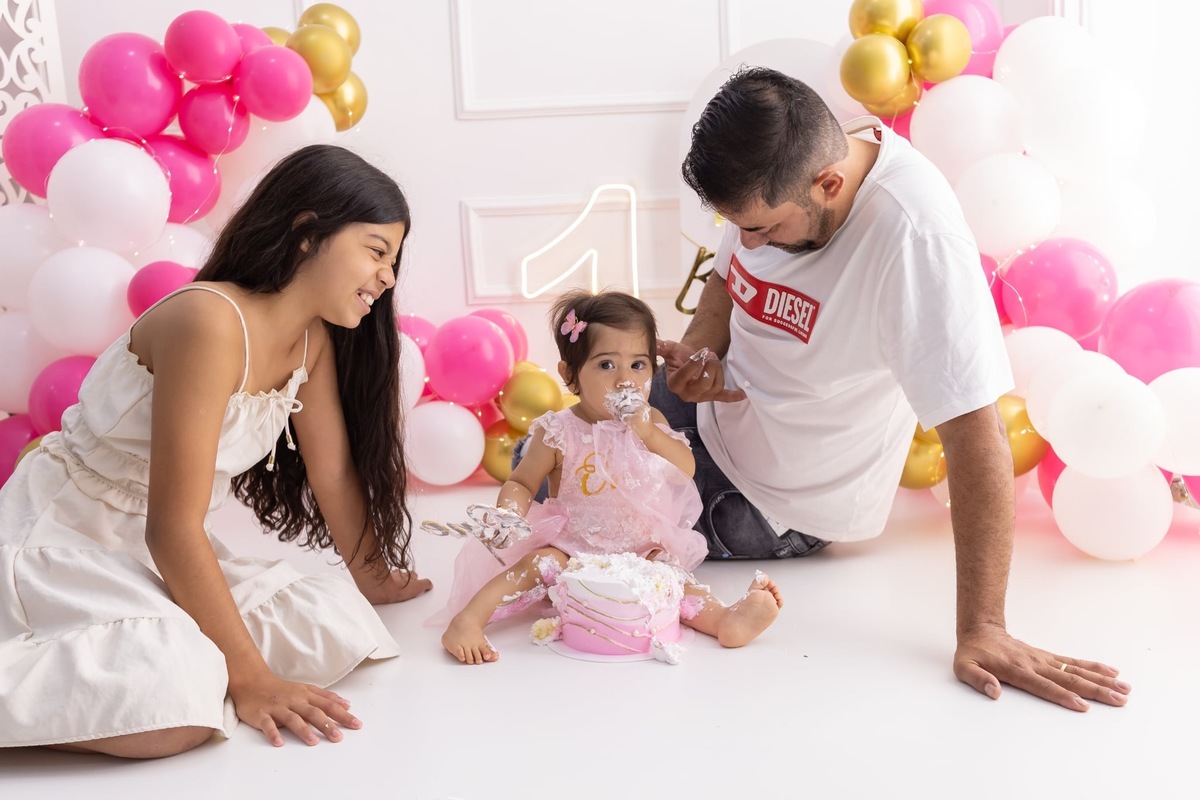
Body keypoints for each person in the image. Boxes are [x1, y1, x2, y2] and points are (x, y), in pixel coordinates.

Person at [655, 66, 1131, 711]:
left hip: (774, 499)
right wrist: (706, 349)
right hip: (707, 417)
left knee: (566, 506)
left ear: (829, 184)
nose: (749, 241)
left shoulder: (916, 239)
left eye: (763, 229)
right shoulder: (784, 166)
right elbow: (727, 272)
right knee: (556, 452)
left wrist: (982, 629)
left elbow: (976, 430)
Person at [0, 144, 432, 758]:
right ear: (308, 234)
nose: (388, 278)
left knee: (333, 621)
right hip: (70, 531)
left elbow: (331, 472)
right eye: (376, 250)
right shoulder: (208, 321)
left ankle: (188, 659)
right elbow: (172, 528)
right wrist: (252, 681)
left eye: (394, 258)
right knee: (171, 702)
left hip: (153, 541)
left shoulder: (310, 342)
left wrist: (372, 576)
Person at [437, 289, 783, 664]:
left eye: (638, 365)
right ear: (571, 376)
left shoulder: (651, 422)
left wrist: (648, 433)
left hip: (640, 550)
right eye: (605, 365)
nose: (625, 380)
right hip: (574, 551)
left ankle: (725, 620)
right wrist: (509, 513)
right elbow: (521, 482)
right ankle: (468, 620)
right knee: (535, 565)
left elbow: (686, 469)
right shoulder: (558, 431)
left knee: (672, 580)